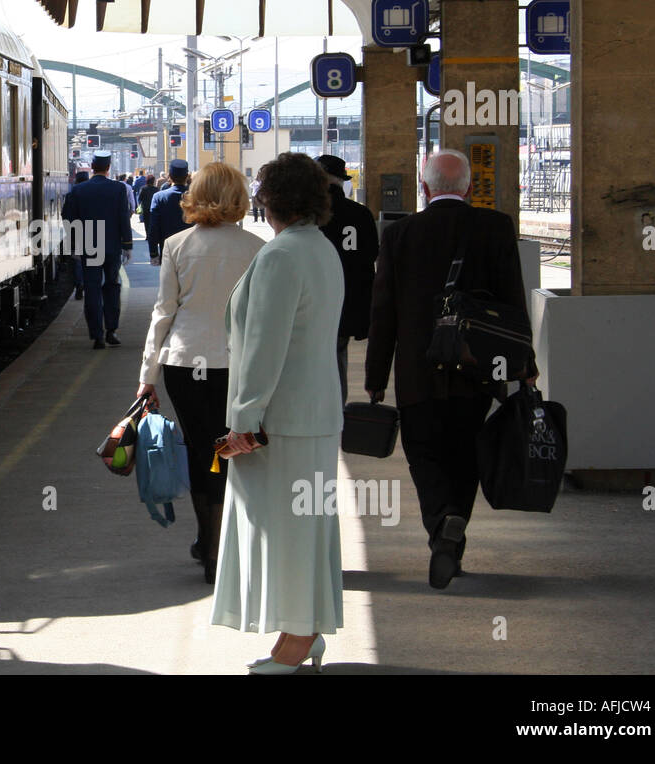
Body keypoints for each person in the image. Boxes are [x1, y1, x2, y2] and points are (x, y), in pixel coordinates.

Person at [365, 149, 534, 589]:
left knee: (424, 455)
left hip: (418, 370)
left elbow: (383, 311)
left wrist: (376, 377)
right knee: (466, 454)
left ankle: (442, 523)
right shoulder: (496, 228)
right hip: (478, 367)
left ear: (425, 188)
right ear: (469, 188)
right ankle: (453, 535)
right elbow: (513, 300)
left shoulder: (400, 234)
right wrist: (525, 365)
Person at [212, 152, 344, 674]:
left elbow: (265, 346)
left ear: (269, 200)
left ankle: (297, 639)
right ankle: (303, 631)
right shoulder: (319, 248)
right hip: (313, 414)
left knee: (287, 533)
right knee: (308, 529)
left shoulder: (281, 256)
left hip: (282, 420)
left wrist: (244, 419)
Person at [135, 163, 264, 584]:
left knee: (199, 449)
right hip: (237, 364)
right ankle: (227, 543)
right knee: (233, 448)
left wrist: (148, 375)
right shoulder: (256, 247)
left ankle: (207, 543)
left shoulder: (176, 244)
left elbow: (163, 314)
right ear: (238, 197)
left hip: (185, 363)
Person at [315, 154, 379, 404]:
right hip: (353, 297)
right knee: (338, 350)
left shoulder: (313, 215)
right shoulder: (361, 213)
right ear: (342, 181)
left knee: (326, 354)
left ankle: (330, 406)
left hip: (321, 296)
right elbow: (372, 253)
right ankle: (336, 405)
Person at [62, 152, 133, 349]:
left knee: (92, 289)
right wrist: (127, 245)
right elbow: (123, 217)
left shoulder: (78, 190)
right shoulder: (118, 189)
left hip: (90, 246)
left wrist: (74, 244)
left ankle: (97, 335)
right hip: (112, 246)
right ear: (108, 167)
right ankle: (112, 330)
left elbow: (68, 219)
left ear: (92, 167)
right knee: (112, 286)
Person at [146, 159, 192, 260]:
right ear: (186, 176)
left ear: (169, 176)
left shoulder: (159, 197)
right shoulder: (196, 197)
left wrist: (153, 253)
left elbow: (153, 227)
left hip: (168, 249)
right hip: (192, 250)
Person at [68, 169, 90, 300]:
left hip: (77, 231)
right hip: (94, 230)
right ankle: (89, 285)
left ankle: (79, 285)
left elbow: (66, 215)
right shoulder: (94, 193)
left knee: (78, 261)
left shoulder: (72, 194)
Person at [137, 175, 160, 264]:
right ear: (153, 181)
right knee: (154, 223)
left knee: (146, 223)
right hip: (154, 208)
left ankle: (147, 235)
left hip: (146, 208)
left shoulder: (143, 188)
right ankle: (153, 236)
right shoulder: (156, 189)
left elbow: (140, 198)